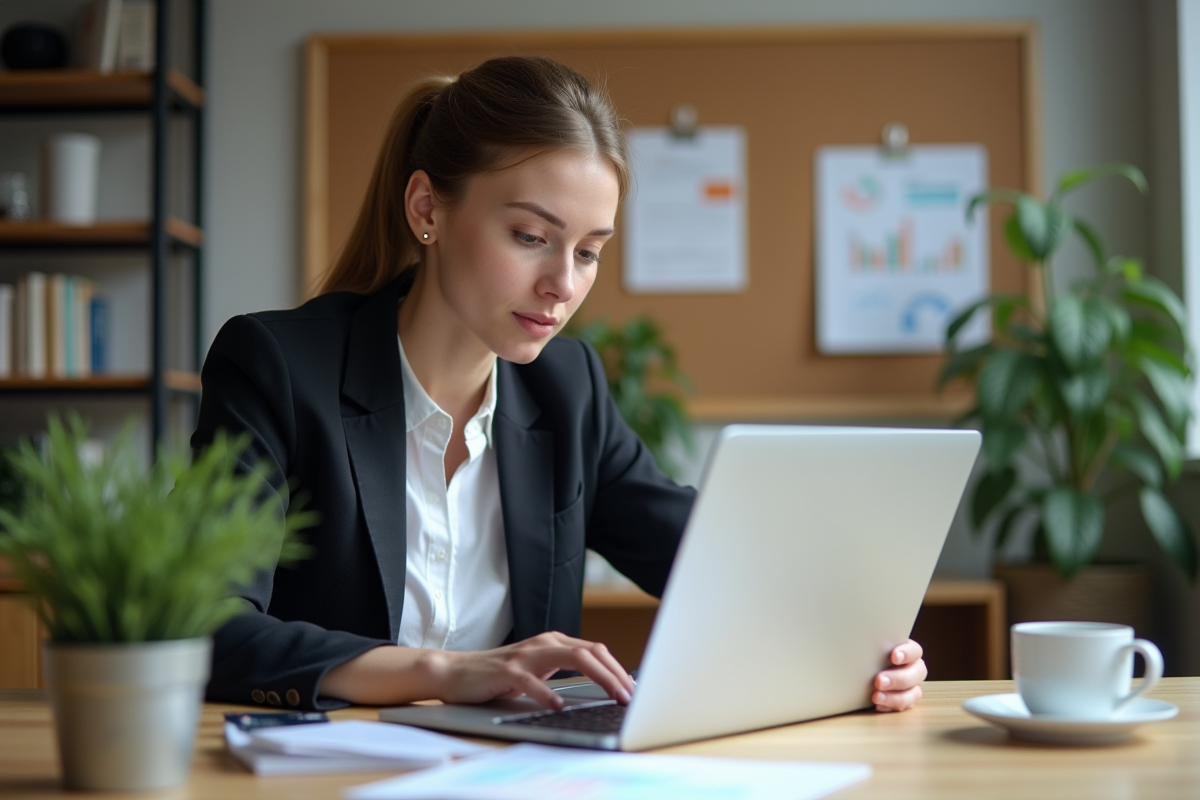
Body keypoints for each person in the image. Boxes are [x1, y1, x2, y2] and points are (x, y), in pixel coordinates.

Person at [193, 55, 927, 714]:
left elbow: (714, 563)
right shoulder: (278, 368)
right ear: (428, 210)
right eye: (530, 237)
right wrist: (441, 672)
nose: (563, 284)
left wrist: (867, 646)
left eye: (589, 252)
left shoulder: (566, 390)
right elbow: (209, 627)